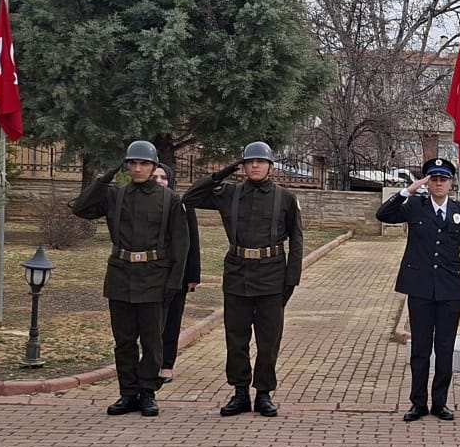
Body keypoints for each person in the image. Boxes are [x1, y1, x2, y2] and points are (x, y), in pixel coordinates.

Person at [184, 141, 305, 417]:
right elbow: (189, 198)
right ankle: (240, 392)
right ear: (242, 166)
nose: (254, 166)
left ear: (270, 167)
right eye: (249, 161)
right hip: (237, 273)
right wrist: (220, 174)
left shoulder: (283, 197)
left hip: (272, 274)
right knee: (236, 337)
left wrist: (291, 279)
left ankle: (263, 393)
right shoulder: (229, 193)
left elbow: (297, 239)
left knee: (268, 339)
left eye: (260, 162)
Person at [72, 140, 188, 416]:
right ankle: (127, 392)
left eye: (144, 163)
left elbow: (180, 245)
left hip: (154, 276)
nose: (138, 168)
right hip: (121, 275)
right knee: (123, 340)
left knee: (151, 340)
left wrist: (175, 281)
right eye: (132, 163)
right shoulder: (115, 195)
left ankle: (147, 392)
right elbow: (81, 208)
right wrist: (105, 178)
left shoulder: (169, 199)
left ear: (154, 166)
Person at [375, 156, 460, 421]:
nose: (438, 184)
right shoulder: (415, 206)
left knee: (445, 348)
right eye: (433, 179)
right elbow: (383, 215)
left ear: (450, 183)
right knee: (420, 349)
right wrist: (407, 190)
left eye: (442, 179)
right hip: (420, 288)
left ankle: (440, 403)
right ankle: (418, 403)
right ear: (428, 183)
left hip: (449, 289)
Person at [151, 163, 203, 391]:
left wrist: (193, 275)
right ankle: (149, 362)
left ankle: (166, 365)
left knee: (171, 321)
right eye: (155, 177)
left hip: (177, 273)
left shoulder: (182, 205)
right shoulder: (140, 205)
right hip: (150, 273)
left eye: (163, 177)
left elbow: (193, 241)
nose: (159, 181)